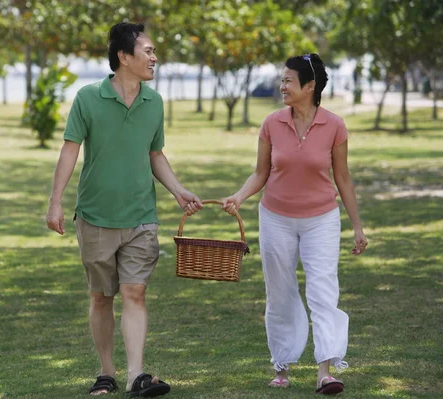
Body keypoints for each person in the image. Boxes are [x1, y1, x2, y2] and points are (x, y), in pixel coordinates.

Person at [46, 22, 202, 397]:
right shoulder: (87, 97)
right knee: (101, 297)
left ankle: (135, 376)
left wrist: (178, 190)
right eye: (147, 51)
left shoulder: (155, 102)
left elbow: (155, 154)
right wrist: (55, 202)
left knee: (135, 292)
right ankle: (106, 372)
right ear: (124, 57)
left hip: (141, 216)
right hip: (97, 215)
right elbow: (70, 149)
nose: (154, 57)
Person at [221, 53, 368, 395]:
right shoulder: (272, 123)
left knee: (323, 291)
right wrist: (239, 197)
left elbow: (343, 178)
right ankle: (282, 366)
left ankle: (325, 371)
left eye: (288, 80)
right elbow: (261, 172)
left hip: (322, 220)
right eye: (282, 79)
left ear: (310, 86)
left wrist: (357, 225)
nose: (282, 85)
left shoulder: (334, 125)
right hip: (275, 218)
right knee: (281, 291)